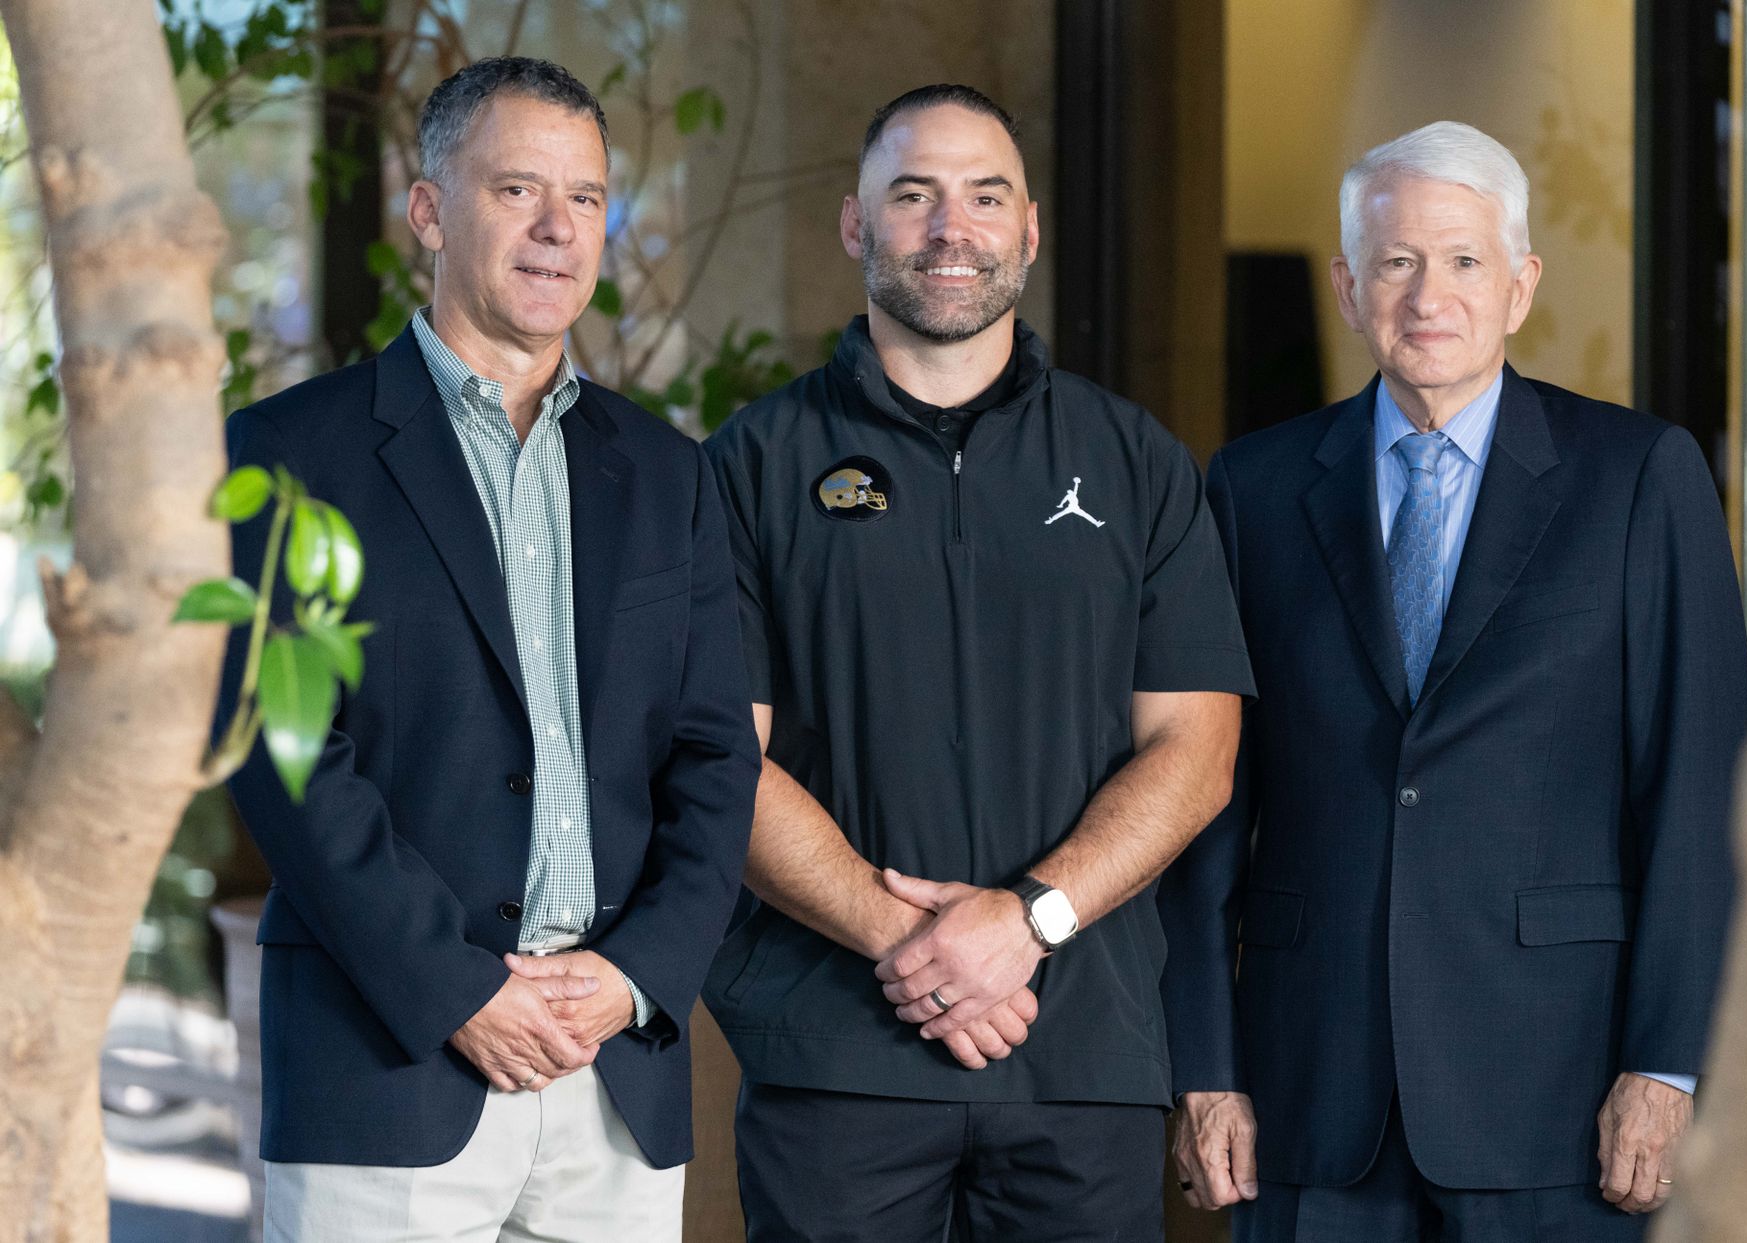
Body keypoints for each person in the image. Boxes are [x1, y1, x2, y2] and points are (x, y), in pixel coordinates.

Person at [1159, 121, 1747, 1241]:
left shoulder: (1637, 478)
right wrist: (1203, 1062)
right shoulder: (1252, 485)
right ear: (1346, 286)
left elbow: (1699, 788)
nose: (1430, 294)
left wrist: (1668, 1065)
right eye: (1396, 262)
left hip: (1560, 1097)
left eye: (1465, 261)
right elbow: (1201, 797)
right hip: (1308, 1090)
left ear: (1521, 285)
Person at [216, 57, 759, 1241]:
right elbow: (288, 749)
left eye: (586, 195)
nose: (559, 229)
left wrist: (633, 977)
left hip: (611, 1074)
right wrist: (458, 988)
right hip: (389, 1062)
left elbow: (718, 757)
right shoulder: (288, 451)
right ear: (429, 211)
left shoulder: (670, 476)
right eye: (517, 189)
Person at [700, 84, 1253, 1242]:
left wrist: (1027, 923)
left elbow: (1196, 753)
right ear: (857, 225)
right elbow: (718, 759)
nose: (952, 227)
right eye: (914, 195)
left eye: (984, 195)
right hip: (836, 1048)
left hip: (1081, 1050)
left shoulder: (1136, 459)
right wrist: (912, 942)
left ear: (1029, 228)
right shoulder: (752, 461)